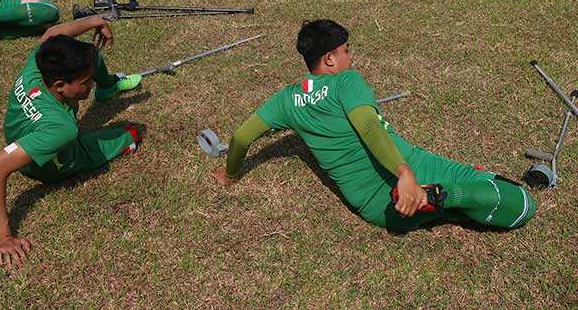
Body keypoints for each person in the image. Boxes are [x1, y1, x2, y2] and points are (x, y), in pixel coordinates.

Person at [211, 19, 536, 233]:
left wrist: (230, 175)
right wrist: (404, 173)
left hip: (376, 208)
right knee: (522, 204)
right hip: (410, 171)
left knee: (489, 187)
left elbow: (241, 137)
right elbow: (369, 128)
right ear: (329, 60)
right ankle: (440, 196)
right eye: (346, 51)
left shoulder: (286, 100)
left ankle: (443, 200)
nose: (351, 59)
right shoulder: (345, 82)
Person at [0, 16, 143, 268]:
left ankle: (108, 86)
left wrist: (96, 21)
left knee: (93, 56)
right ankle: (111, 141)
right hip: (49, 164)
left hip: (21, 137)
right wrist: (4, 237)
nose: (89, 85)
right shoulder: (62, 130)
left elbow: (54, 32)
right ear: (59, 86)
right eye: (85, 83)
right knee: (130, 134)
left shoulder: (39, 64)